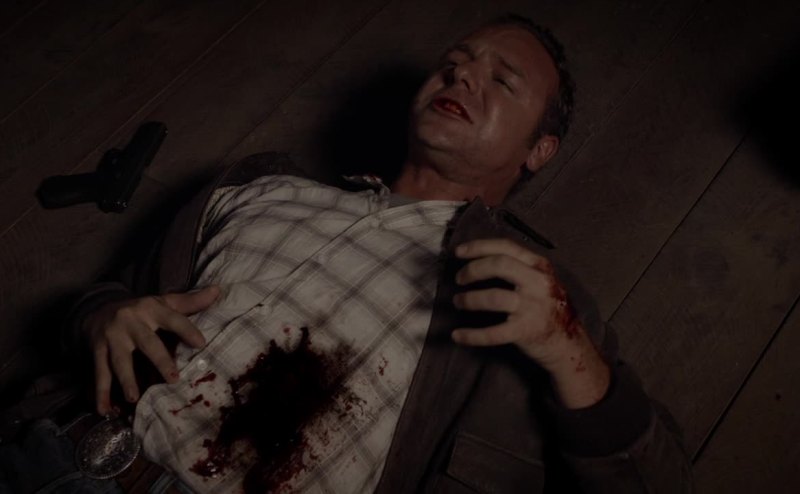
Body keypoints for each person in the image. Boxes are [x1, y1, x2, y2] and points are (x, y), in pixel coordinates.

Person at [64, 14, 691, 493]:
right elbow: (108, 297)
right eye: (454, 63)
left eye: (501, 80)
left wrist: (567, 346)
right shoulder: (259, 187)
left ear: (539, 150)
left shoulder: (535, 296)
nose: (462, 76)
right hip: (59, 459)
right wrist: (102, 315)